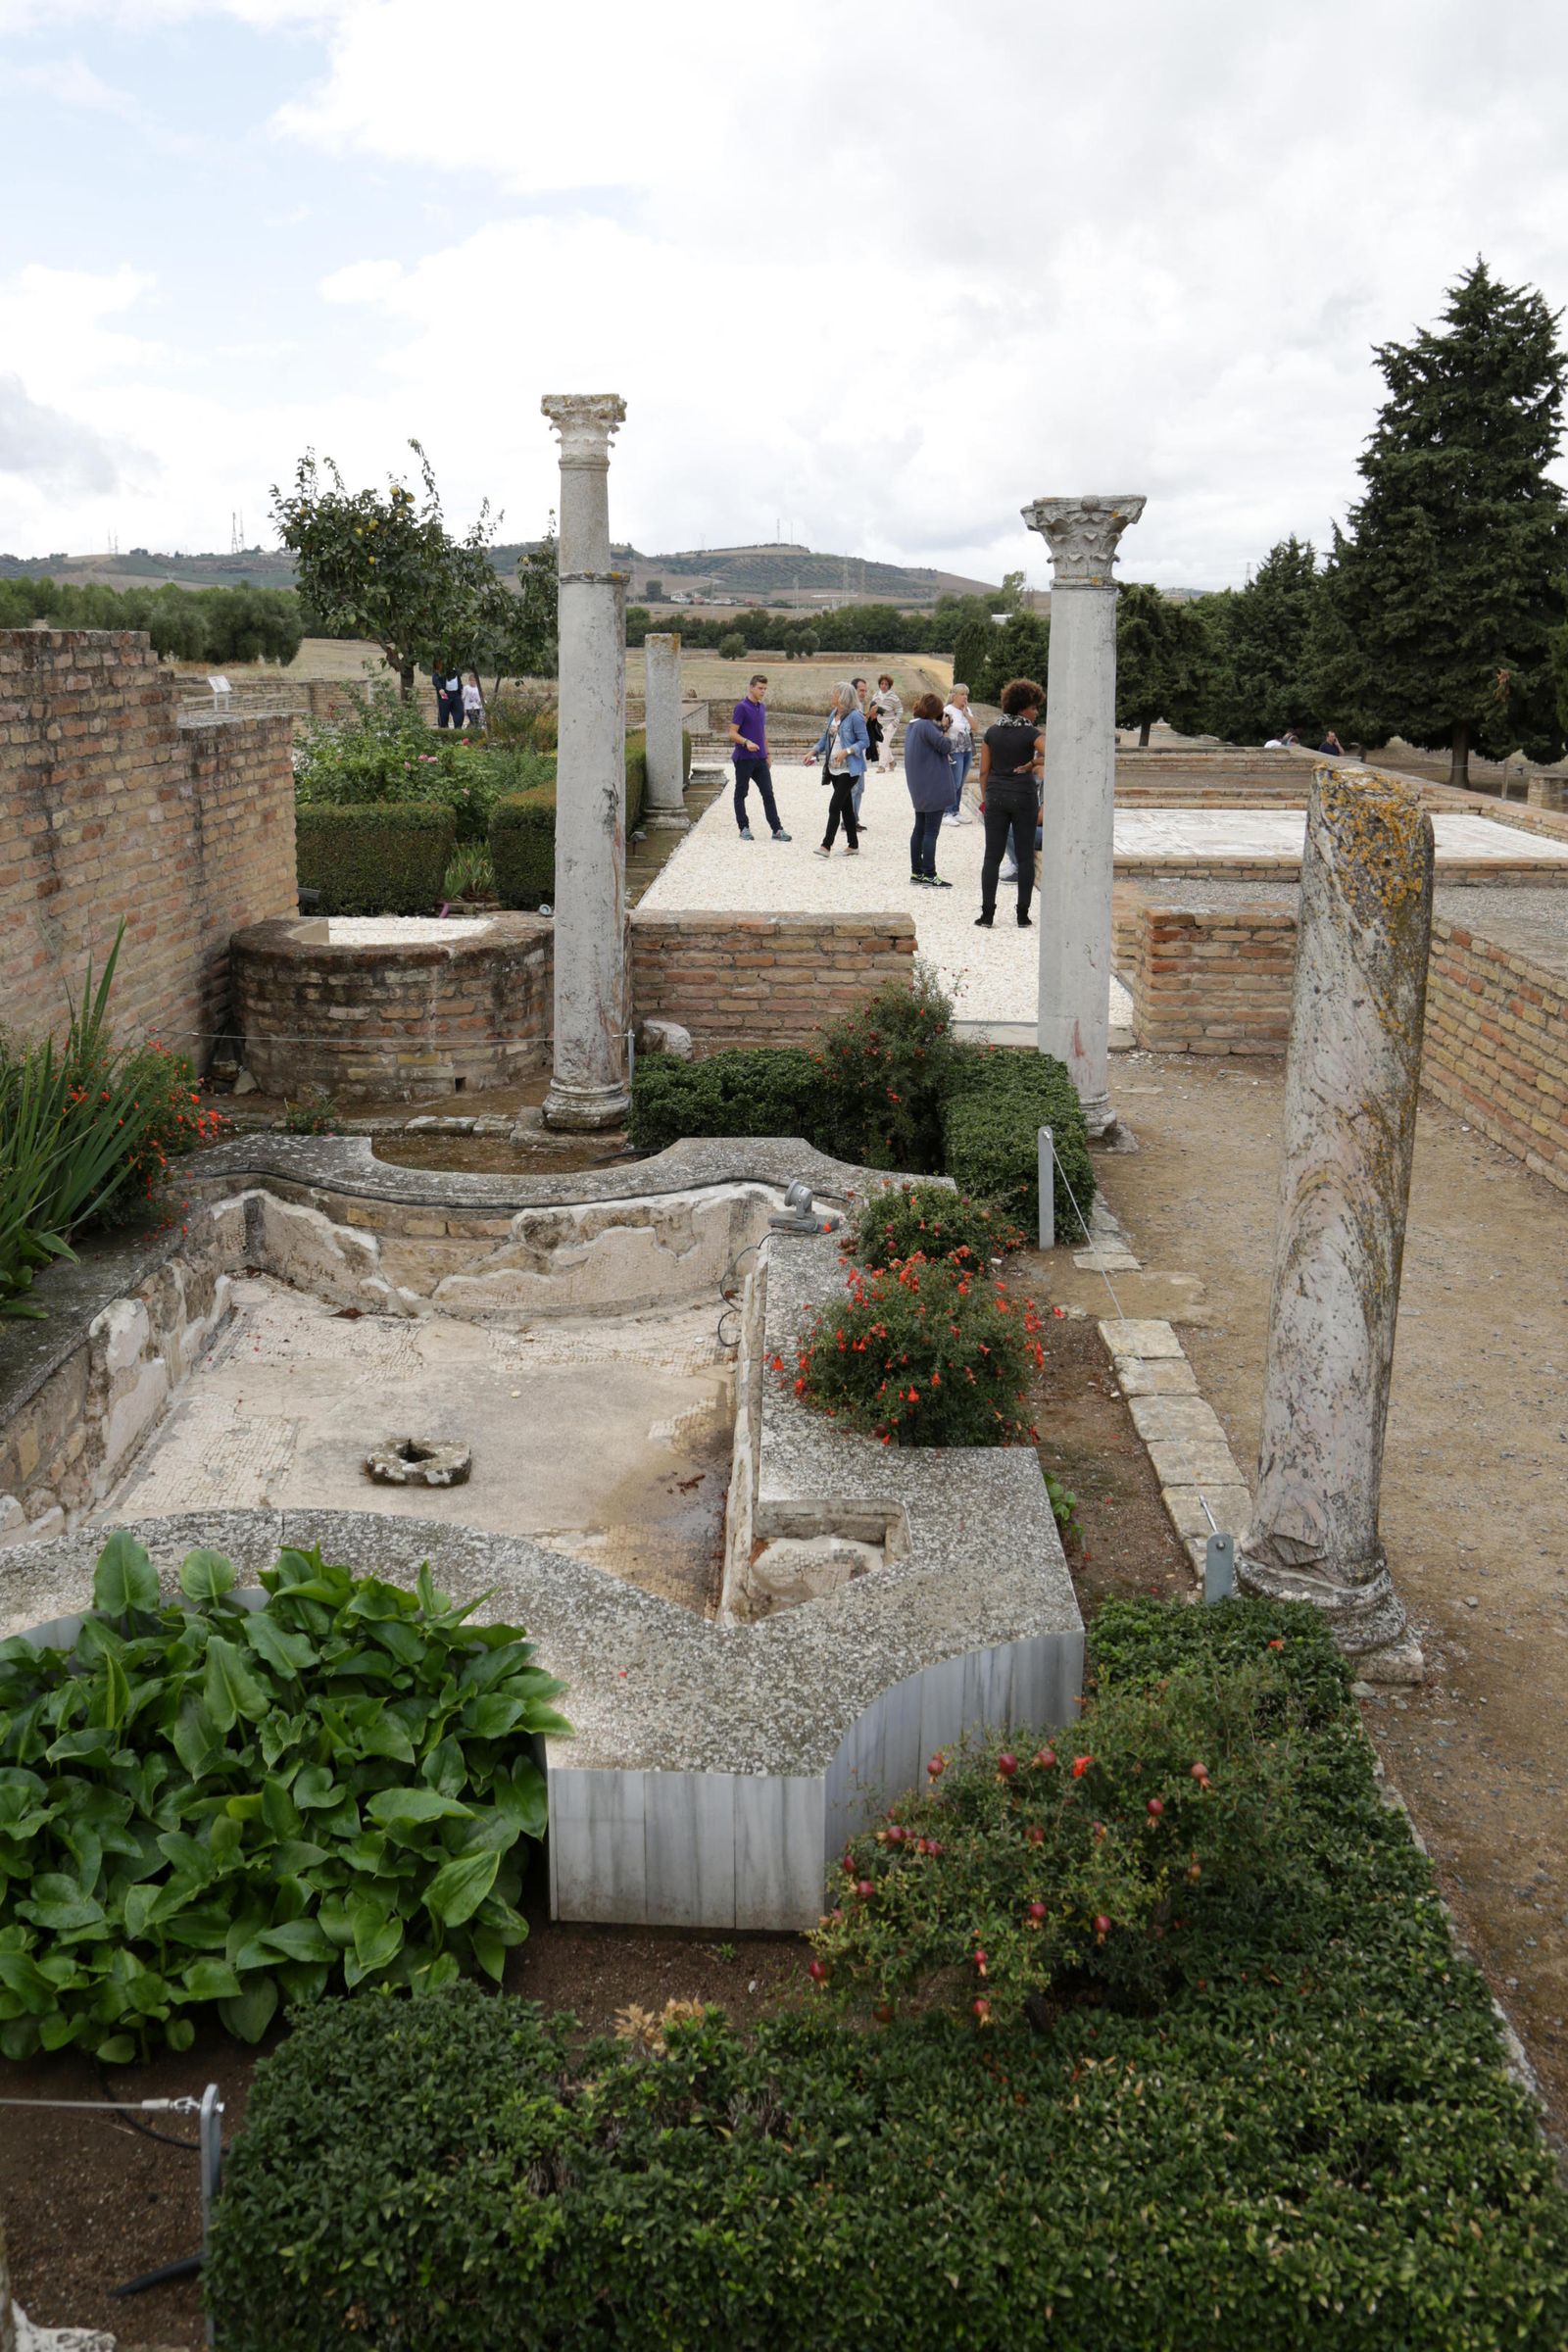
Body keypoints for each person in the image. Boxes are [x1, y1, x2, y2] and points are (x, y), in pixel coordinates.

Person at [976, 677, 1044, 928]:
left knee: (991, 857)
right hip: (1024, 796)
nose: (1036, 712)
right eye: (1034, 707)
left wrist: (986, 798)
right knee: (1025, 856)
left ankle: (987, 915)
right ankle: (1022, 915)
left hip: (996, 794)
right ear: (1022, 707)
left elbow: (984, 771)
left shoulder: (992, 733)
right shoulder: (1030, 733)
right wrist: (1033, 763)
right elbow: (1055, 751)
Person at [806, 682, 868, 856]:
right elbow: (826, 738)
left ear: (842, 697)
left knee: (834, 806)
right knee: (846, 808)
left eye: (834, 693)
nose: (831, 695)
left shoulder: (855, 716)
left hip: (850, 770)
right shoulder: (833, 714)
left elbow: (865, 741)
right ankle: (853, 845)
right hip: (833, 769)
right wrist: (814, 750)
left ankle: (826, 846)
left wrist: (847, 751)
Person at [727, 673, 792, 842]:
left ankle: (777, 830)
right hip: (743, 758)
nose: (763, 691)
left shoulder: (761, 707)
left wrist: (768, 754)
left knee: (768, 794)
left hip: (760, 759)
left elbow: (762, 733)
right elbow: (732, 733)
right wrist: (746, 742)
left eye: (765, 689)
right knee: (741, 793)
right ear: (751, 687)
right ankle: (743, 828)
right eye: (760, 688)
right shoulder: (741, 707)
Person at [903, 693, 955, 887]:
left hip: (919, 787)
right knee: (931, 832)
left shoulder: (913, 725)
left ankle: (916, 872)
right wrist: (945, 730)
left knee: (919, 829)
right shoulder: (925, 726)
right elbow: (945, 746)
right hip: (933, 786)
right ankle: (929, 873)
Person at [944, 683, 975, 823]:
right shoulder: (947, 710)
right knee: (954, 781)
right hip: (954, 750)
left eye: (966, 694)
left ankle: (955, 811)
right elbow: (943, 730)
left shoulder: (967, 709)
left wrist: (966, 714)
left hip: (967, 750)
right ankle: (946, 812)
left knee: (961, 782)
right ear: (954, 696)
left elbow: (975, 727)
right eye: (962, 694)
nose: (965, 697)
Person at [871, 674, 903, 771]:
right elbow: (873, 709)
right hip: (879, 724)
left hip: (890, 724)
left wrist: (895, 722)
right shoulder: (875, 696)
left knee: (883, 743)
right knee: (882, 744)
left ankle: (881, 766)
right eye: (882, 683)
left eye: (886, 684)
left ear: (889, 685)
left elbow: (900, 710)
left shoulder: (894, 697)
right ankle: (892, 762)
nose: (884, 685)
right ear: (879, 685)